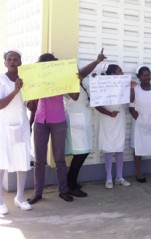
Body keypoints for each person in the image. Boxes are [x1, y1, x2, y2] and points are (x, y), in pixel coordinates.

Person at [28, 53, 79, 204]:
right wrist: (30, 123)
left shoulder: (62, 78)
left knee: (59, 159)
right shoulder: (38, 79)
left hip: (58, 121)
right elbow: (32, 106)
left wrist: (74, 80)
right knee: (39, 160)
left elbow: (75, 97)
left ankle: (63, 191)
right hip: (40, 121)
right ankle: (38, 193)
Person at [65, 49, 106, 197]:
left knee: (83, 152)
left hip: (84, 120)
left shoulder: (82, 82)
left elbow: (91, 93)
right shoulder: (68, 84)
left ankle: (71, 182)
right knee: (80, 154)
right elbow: (74, 97)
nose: (77, 72)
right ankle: (70, 185)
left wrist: (95, 78)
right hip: (75, 121)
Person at [0, 50, 32, 214]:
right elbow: (0, 104)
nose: (12, 62)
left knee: (22, 160)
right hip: (4, 125)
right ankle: (0, 202)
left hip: (21, 124)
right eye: (9, 59)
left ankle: (19, 197)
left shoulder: (26, 79)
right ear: (5, 62)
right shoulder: (1, 79)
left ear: (20, 62)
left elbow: (31, 105)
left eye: (16, 59)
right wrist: (15, 91)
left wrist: (35, 93)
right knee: (2, 162)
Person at [95, 64, 131, 189]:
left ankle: (119, 177)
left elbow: (130, 99)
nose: (122, 73)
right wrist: (109, 113)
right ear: (112, 74)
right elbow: (97, 105)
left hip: (119, 117)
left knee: (119, 147)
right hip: (107, 118)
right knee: (109, 147)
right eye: (119, 71)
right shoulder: (103, 85)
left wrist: (130, 88)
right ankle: (109, 178)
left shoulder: (123, 85)